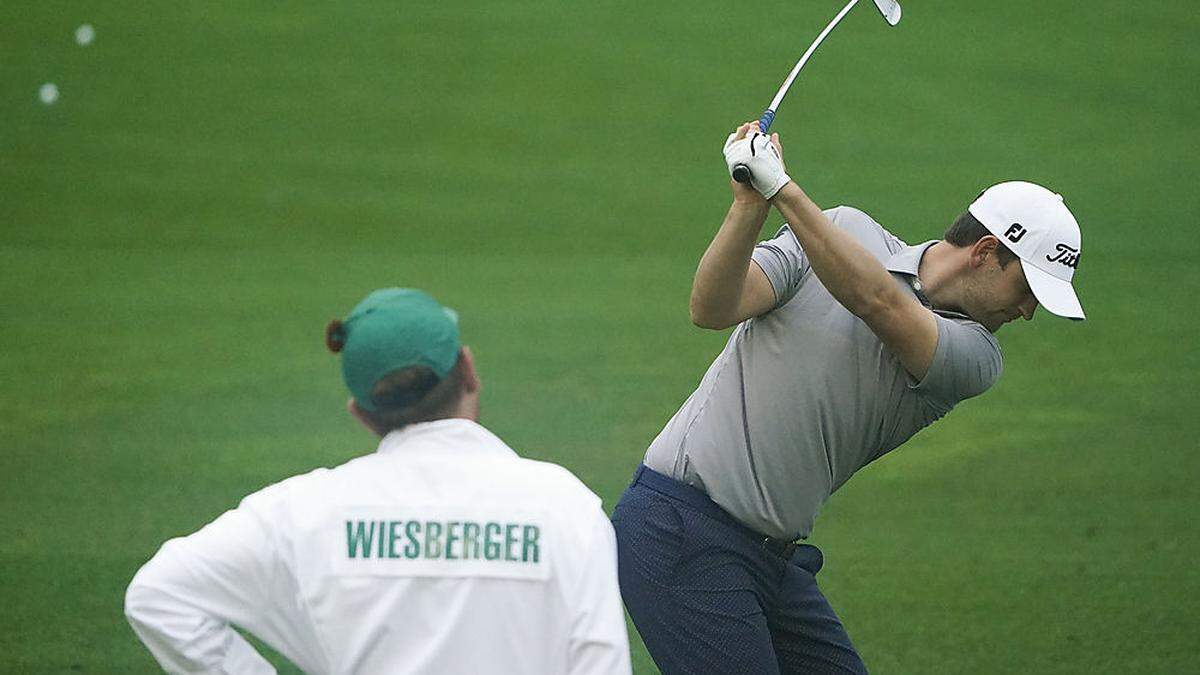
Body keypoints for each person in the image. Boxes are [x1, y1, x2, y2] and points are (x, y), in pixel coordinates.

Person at [611, 122, 1085, 674]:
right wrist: (750, 205)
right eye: (1026, 289)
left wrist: (783, 189)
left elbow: (878, 302)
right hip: (679, 525)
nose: (1027, 311)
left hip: (770, 559)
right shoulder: (842, 229)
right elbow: (712, 308)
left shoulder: (976, 357)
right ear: (985, 253)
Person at [125, 288, 631, 675]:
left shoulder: (301, 512)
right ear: (469, 371)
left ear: (362, 414)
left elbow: (157, 595)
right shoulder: (565, 505)